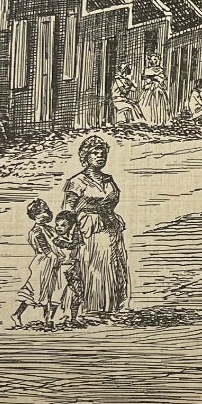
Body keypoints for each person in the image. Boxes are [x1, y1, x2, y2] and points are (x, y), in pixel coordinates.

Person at [64, 135, 130, 317]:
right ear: (86, 156)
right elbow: (68, 210)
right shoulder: (77, 181)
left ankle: (112, 306)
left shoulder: (108, 180)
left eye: (102, 153)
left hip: (110, 225)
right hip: (89, 228)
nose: (100, 156)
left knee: (114, 265)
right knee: (94, 265)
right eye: (95, 153)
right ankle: (91, 307)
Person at [10, 199, 57, 328]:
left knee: (51, 291)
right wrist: (58, 258)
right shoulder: (37, 231)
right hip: (43, 263)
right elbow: (46, 250)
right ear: (35, 216)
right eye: (42, 212)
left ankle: (48, 320)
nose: (46, 215)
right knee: (39, 291)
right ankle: (18, 314)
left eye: (46, 211)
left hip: (51, 261)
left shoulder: (49, 229)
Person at [51, 210, 85, 326]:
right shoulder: (56, 241)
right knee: (56, 295)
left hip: (74, 270)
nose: (59, 228)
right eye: (57, 225)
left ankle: (73, 318)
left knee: (77, 294)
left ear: (70, 226)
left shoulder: (74, 240)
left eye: (63, 225)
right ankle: (50, 319)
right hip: (61, 270)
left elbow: (76, 245)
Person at [139, 51, 169, 128]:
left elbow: (161, 79)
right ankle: (150, 121)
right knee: (146, 104)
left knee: (159, 104)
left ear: (158, 60)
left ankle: (159, 121)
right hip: (150, 89)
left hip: (158, 89)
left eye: (155, 59)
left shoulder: (160, 69)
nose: (153, 61)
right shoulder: (147, 69)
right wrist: (154, 78)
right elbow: (147, 80)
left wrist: (154, 78)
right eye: (152, 60)